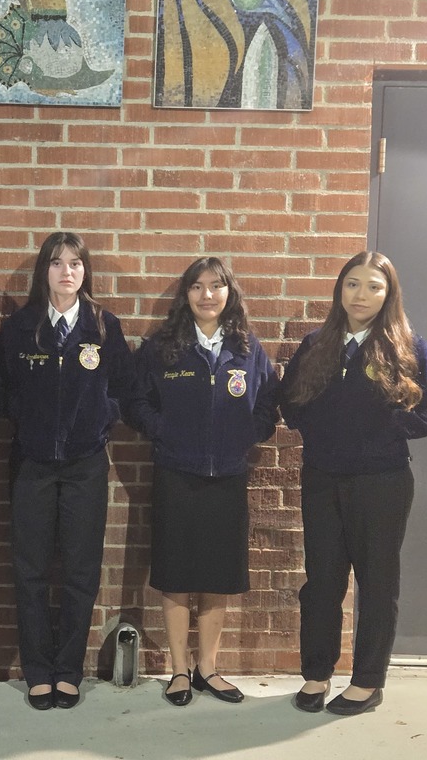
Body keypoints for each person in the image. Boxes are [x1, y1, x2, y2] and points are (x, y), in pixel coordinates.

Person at [281, 251, 427, 716]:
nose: (361, 294)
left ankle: (367, 682)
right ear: (340, 289)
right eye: (353, 284)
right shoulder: (317, 343)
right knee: (321, 582)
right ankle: (316, 674)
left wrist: (388, 429)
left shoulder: (408, 347)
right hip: (322, 479)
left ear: (388, 293)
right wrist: (317, 430)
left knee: (377, 582)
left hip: (382, 482)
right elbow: (289, 400)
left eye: (373, 286)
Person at [128, 257, 278, 707]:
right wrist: (163, 431)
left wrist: (248, 433)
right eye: (197, 287)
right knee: (176, 576)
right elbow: (135, 402)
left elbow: (269, 401)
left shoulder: (247, 348)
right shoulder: (163, 347)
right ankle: (178, 671)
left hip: (228, 477)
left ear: (229, 293)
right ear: (185, 294)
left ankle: (207, 669)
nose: (207, 295)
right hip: (177, 474)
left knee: (216, 578)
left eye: (216, 286)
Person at [0, 232, 134, 710]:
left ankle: (68, 670)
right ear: (44, 272)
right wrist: (28, 421)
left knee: (80, 570)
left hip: (84, 465)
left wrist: (101, 416)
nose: (67, 272)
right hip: (32, 464)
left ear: (85, 271)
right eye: (57, 263)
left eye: (75, 263)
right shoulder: (20, 328)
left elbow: (125, 387)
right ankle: (39, 670)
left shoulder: (103, 325)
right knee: (30, 569)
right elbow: (3, 389)